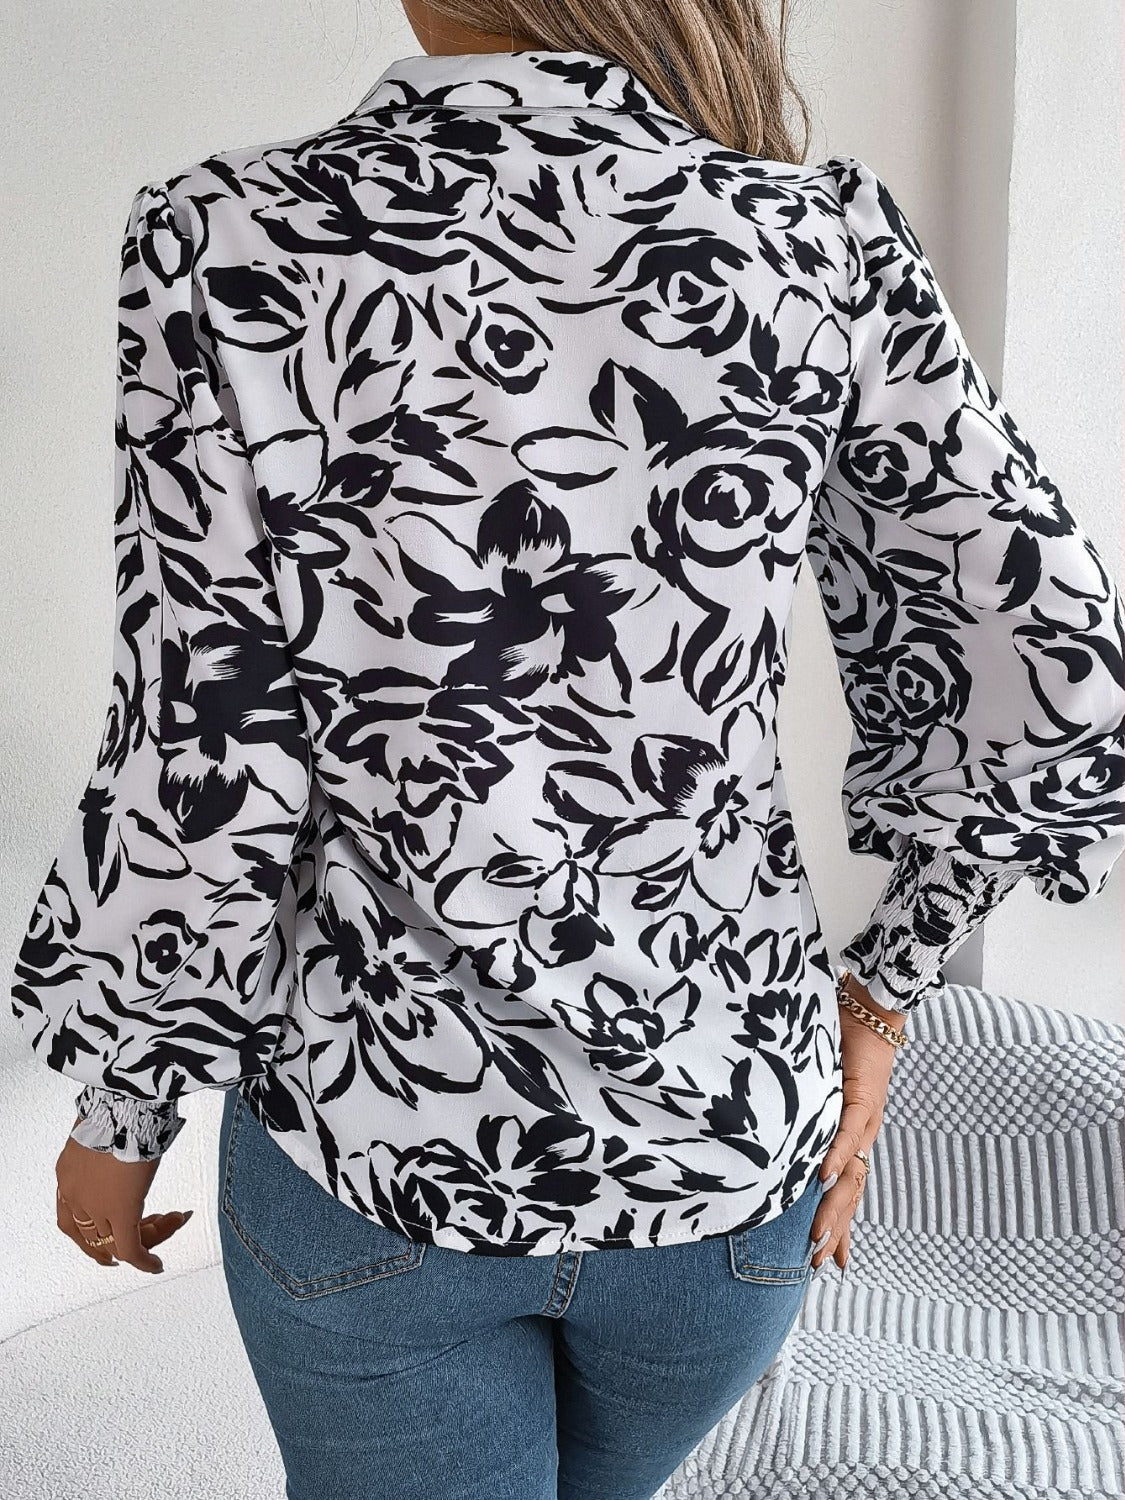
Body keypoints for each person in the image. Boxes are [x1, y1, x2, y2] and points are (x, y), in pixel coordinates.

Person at [13, 2, 1123, 1496]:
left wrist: (125, 1104)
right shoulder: (818, 242)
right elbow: (1048, 661)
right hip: (724, 1154)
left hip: (375, 1143)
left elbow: (202, 732)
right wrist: (882, 998)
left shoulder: (226, 238)